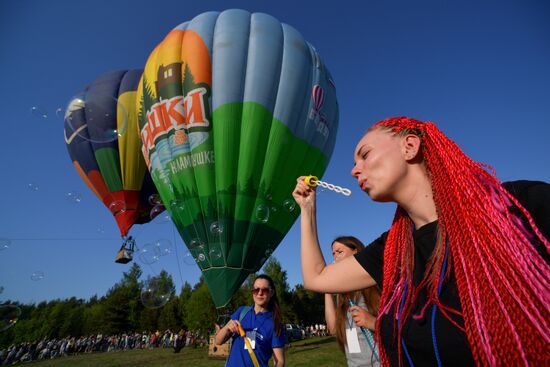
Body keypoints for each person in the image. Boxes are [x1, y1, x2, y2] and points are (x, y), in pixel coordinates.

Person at [292, 116, 550, 366]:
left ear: (410, 146)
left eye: (365, 154)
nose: (354, 169)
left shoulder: (519, 206)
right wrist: (307, 209)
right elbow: (317, 278)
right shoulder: (393, 251)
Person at [325, 236, 380, 367]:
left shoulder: (373, 284)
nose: (335, 257)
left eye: (340, 252)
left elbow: (398, 327)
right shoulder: (343, 294)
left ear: (356, 251)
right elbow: (333, 329)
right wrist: (326, 288)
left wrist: (371, 322)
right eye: (333, 254)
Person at [215, 274, 286, 367]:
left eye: (264, 290)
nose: (259, 293)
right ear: (252, 292)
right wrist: (227, 328)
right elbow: (218, 341)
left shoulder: (275, 323)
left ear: (271, 293)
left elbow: (279, 361)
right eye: (256, 290)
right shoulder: (242, 312)